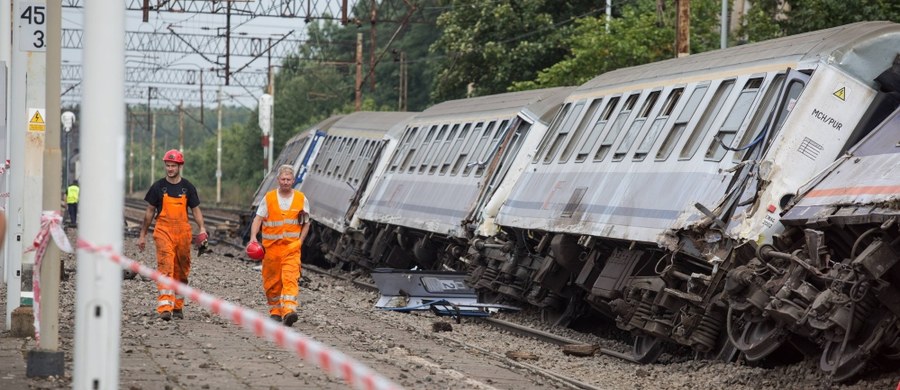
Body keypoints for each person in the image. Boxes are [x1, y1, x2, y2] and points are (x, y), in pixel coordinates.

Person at [137, 149, 207, 321]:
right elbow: (149, 212)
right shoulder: (158, 187)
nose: (170, 169)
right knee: (166, 268)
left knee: (182, 271)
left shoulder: (188, 187)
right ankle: (165, 307)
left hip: (183, 232)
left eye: (173, 166)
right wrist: (143, 234)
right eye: (167, 165)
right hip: (163, 231)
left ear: (179, 166)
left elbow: (196, 210)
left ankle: (177, 307)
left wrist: (202, 228)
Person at [249, 164, 310, 326]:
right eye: (283, 179)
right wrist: (253, 236)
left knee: (290, 279)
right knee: (272, 282)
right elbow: (258, 218)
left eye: (288, 179)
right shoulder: (269, 198)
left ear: (294, 180)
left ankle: (289, 311)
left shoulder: (301, 199)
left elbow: (307, 223)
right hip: (271, 250)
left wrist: (300, 241)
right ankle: (275, 310)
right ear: (278, 180)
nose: (285, 182)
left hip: (291, 249)